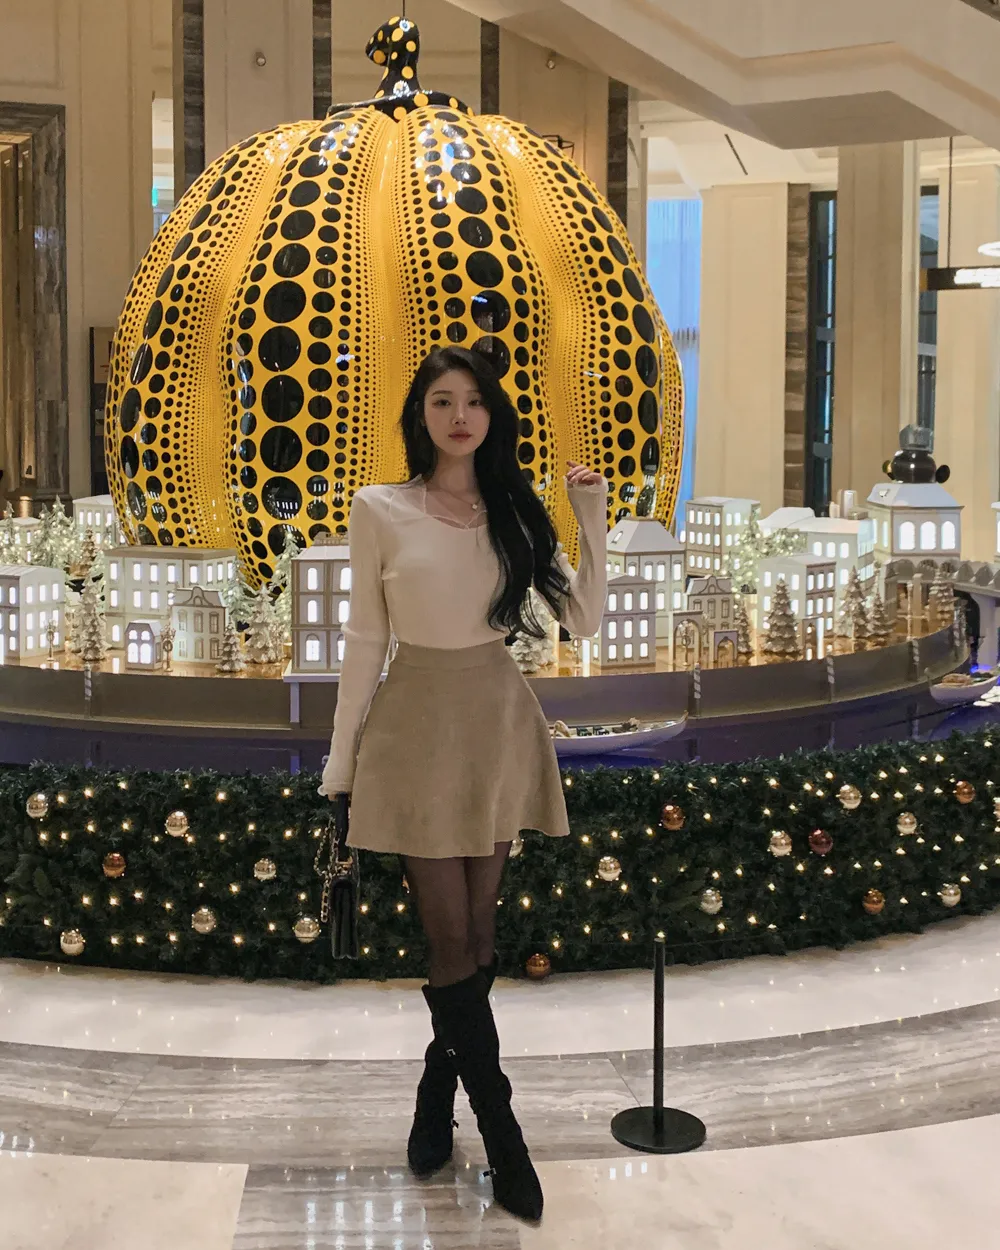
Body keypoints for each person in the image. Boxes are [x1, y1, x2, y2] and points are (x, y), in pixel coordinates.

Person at [318, 345, 609, 1223]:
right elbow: (365, 642)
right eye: (442, 400)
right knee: (450, 939)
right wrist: (340, 762)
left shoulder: (512, 511)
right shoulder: (380, 508)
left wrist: (590, 519)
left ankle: (433, 1097)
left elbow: (585, 619)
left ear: (492, 416)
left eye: (474, 401)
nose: (459, 416)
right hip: (413, 727)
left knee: (479, 937)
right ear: (421, 413)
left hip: (495, 721)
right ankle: (504, 1136)